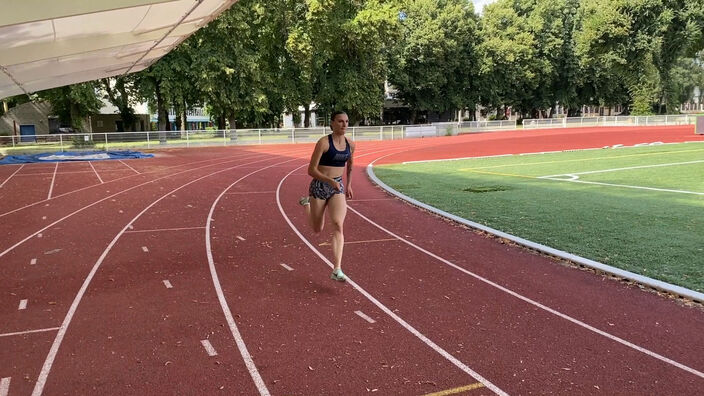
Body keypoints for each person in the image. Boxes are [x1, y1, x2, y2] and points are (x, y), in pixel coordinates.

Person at [299, 111, 355, 281]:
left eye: (346, 121)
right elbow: (311, 170)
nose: (344, 125)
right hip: (320, 186)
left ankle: (336, 269)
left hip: (337, 186)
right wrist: (328, 180)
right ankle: (306, 204)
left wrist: (349, 184)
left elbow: (350, 166)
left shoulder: (350, 144)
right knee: (317, 228)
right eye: (340, 121)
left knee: (338, 224)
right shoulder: (323, 143)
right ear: (332, 123)